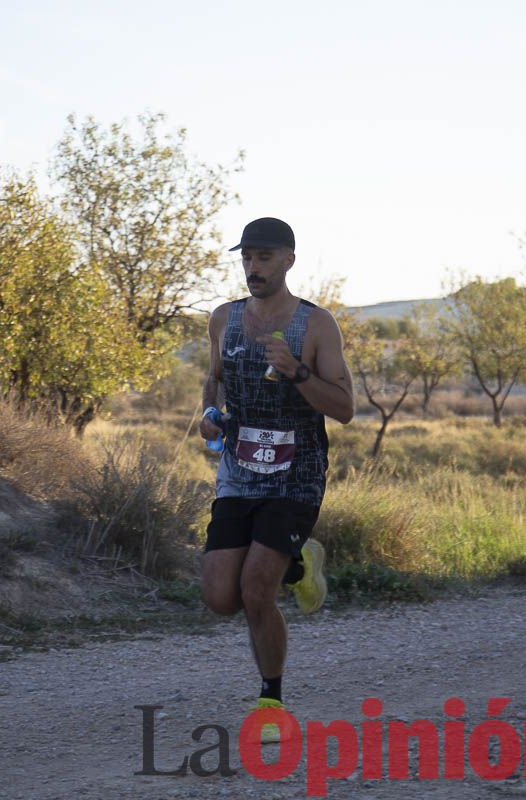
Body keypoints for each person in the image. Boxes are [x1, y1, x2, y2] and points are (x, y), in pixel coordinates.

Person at [199, 217, 355, 743]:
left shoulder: (316, 325)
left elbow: (345, 408)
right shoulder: (223, 319)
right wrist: (209, 414)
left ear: (288, 259)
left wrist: (297, 371)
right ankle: (299, 562)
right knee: (221, 597)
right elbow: (214, 380)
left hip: (296, 474)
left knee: (255, 590)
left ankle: (271, 702)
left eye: (264, 256)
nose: (253, 266)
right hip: (239, 471)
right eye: (247, 257)